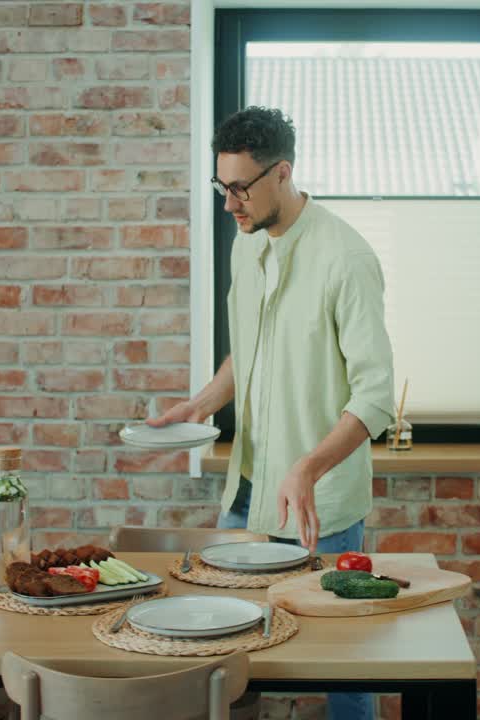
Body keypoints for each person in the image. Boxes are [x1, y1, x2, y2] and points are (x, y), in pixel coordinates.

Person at [148, 106, 394, 720]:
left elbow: (375, 396)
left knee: (346, 668)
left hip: (320, 505)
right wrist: (200, 404)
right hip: (246, 494)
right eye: (221, 186)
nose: (229, 203)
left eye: (240, 188)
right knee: (227, 655)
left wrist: (308, 467)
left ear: (282, 173)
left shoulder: (347, 259)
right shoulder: (245, 243)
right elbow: (251, 351)